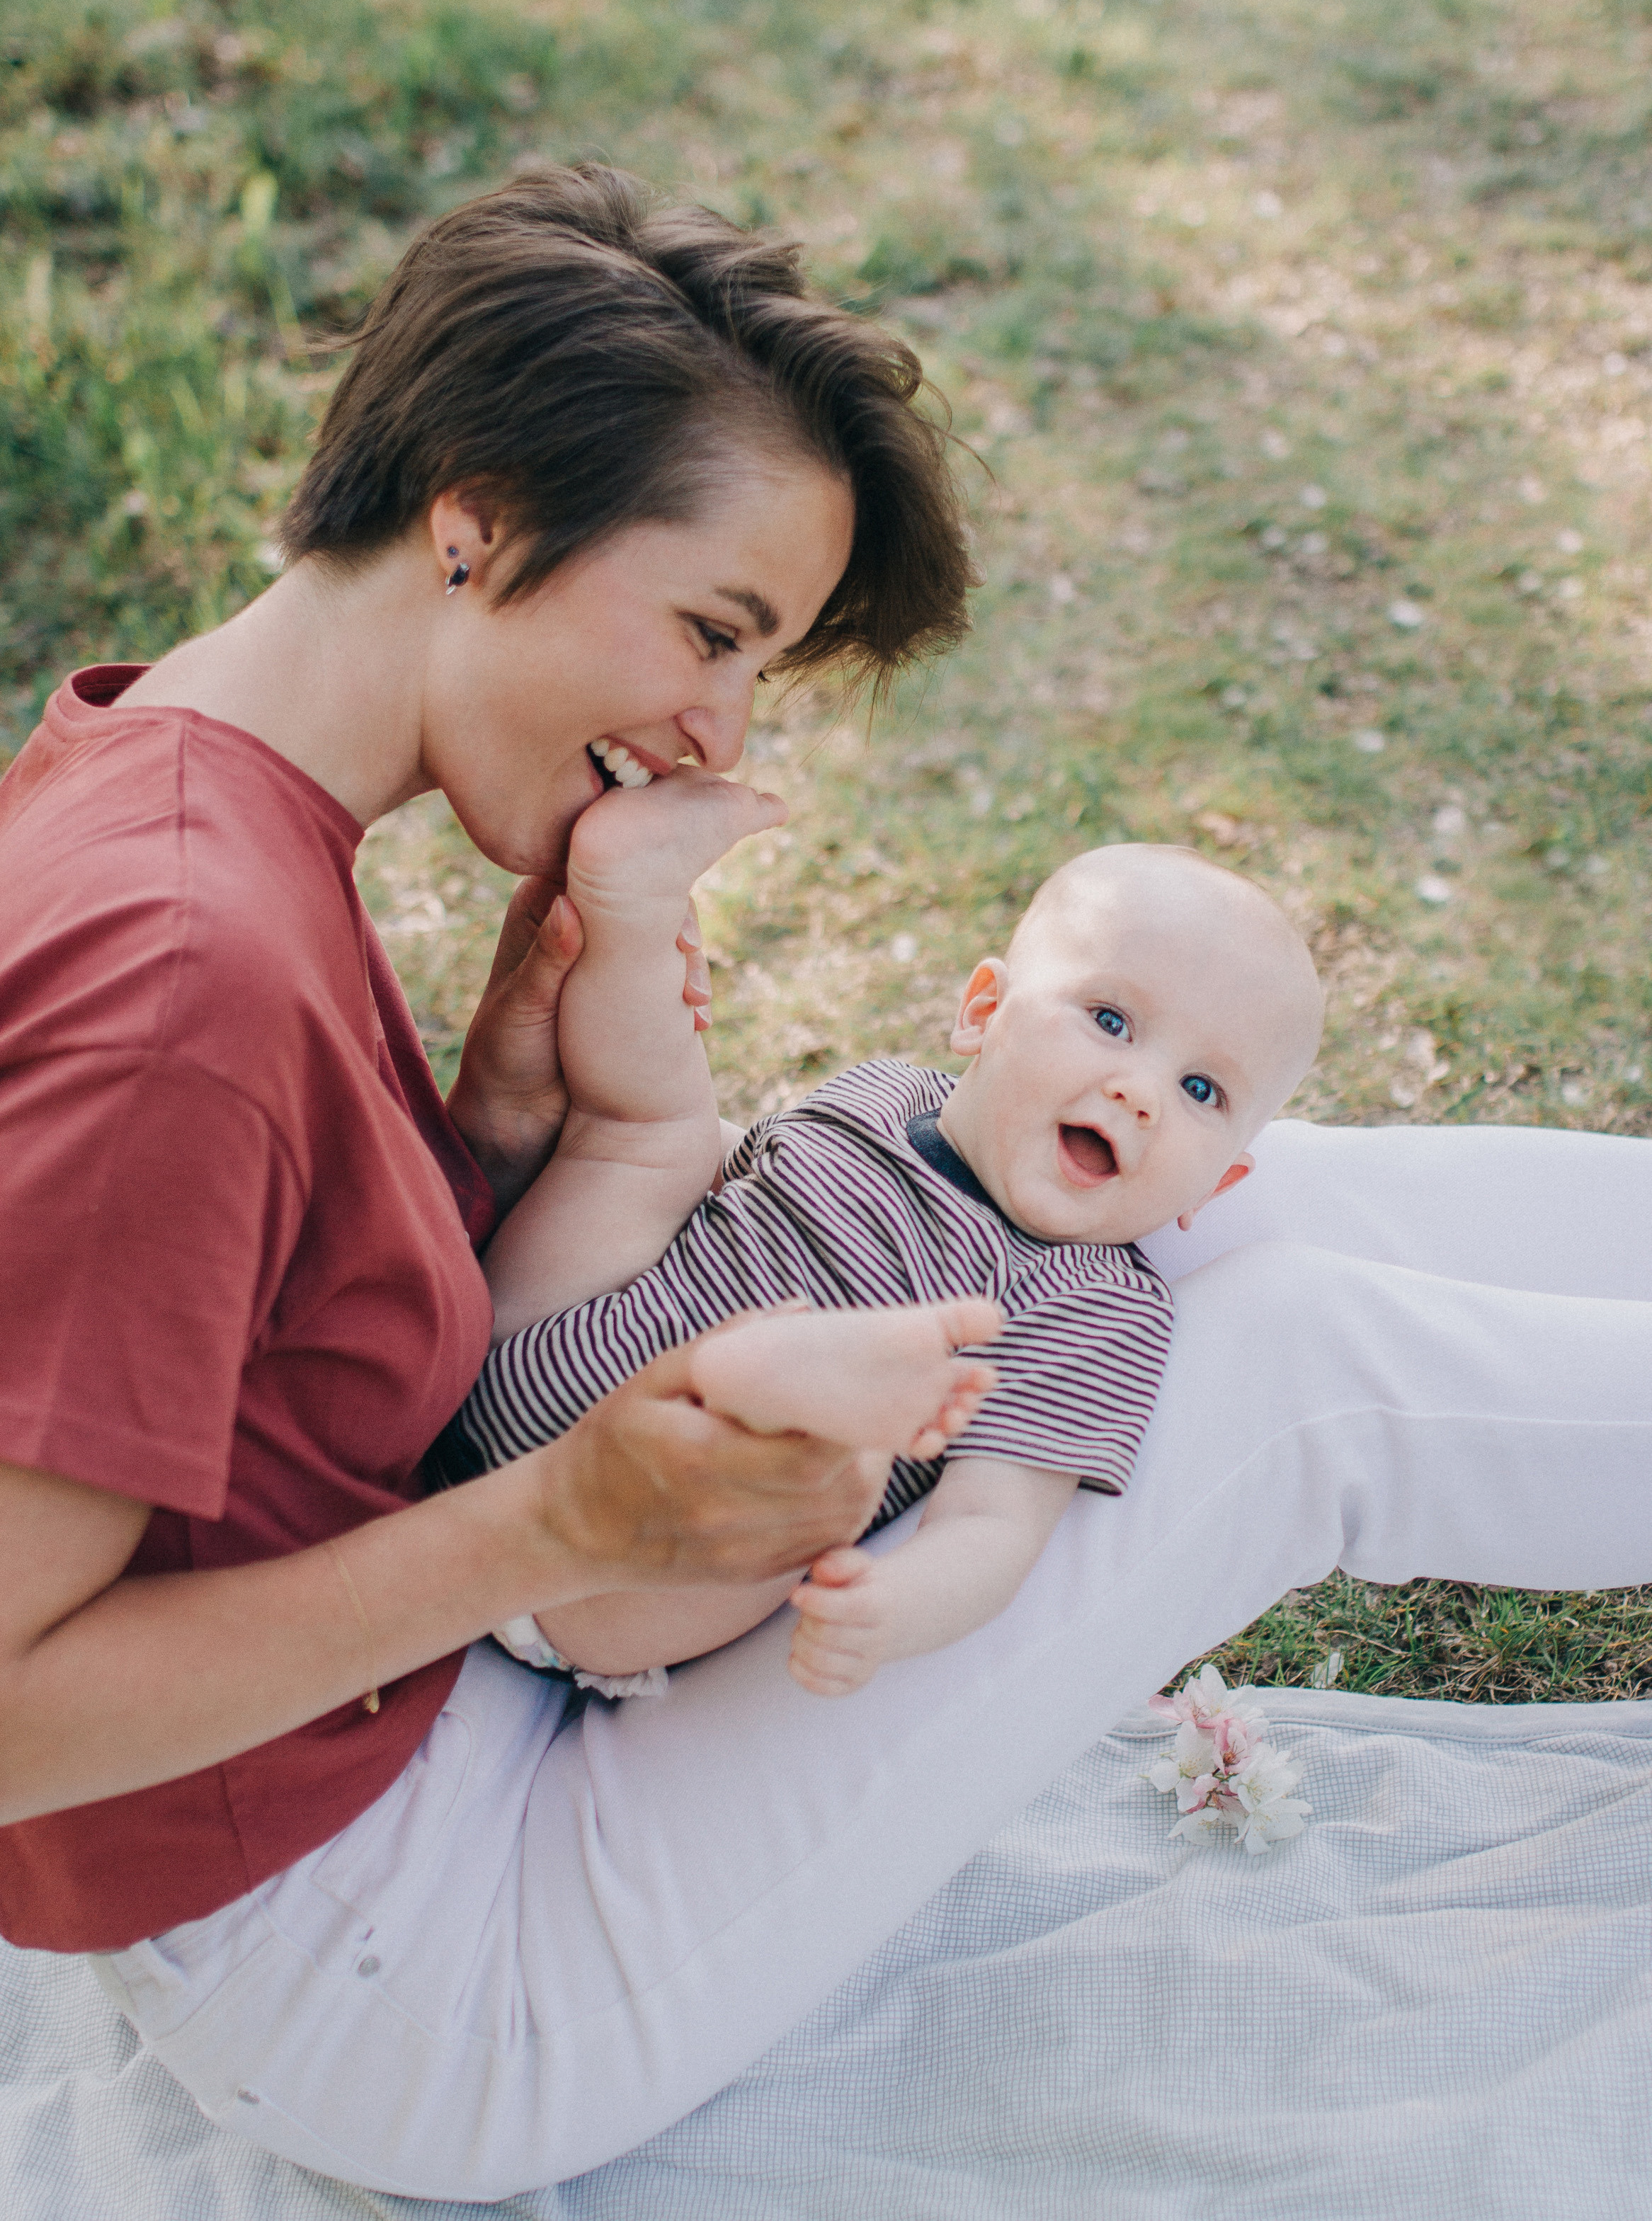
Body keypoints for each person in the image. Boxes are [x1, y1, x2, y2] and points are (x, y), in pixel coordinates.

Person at [3, 162, 1651, 2204]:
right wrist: (556, 1522)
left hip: (427, 1738)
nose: (716, 727)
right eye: (714, 630)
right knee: (1291, 1368)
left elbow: (254, 1332)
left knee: (1227, 1204)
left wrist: (506, 1119)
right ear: (476, 513)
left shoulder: (201, 791)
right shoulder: (188, 967)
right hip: (390, 1956)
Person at [440, 817, 1323, 1701]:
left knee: (831, 1469)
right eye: (1110, 1019)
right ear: (984, 1012)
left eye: (1200, 1090)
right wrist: (652, 1088)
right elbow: (733, 1174)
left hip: (621, 1572)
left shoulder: (1094, 1305)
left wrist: (895, 1604)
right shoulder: (882, 1093)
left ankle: (770, 1384)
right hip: (514, 1364)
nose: (1140, 1093)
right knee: (654, 1130)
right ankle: (631, 921)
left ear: (1219, 1180)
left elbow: (992, 1522)